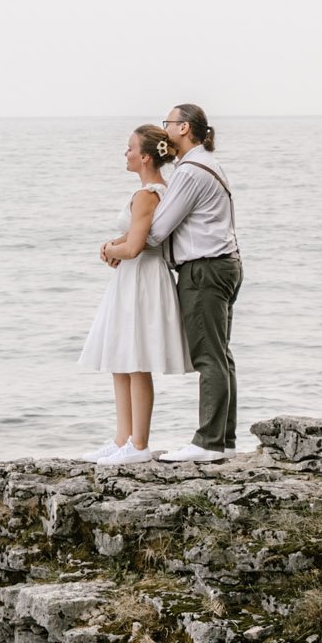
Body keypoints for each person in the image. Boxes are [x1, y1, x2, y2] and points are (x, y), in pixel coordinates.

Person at [101, 103, 240, 462]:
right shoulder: (202, 166)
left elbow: (158, 230)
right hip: (219, 264)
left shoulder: (191, 171)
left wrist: (118, 247)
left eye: (170, 122)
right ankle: (221, 438)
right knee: (220, 355)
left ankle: (209, 442)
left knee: (210, 357)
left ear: (185, 128)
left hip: (205, 269)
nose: (167, 128)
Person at [78, 125, 194, 463]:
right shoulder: (156, 191)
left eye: (129, 148)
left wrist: (109, 247)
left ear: (144, 157)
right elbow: (134, 239)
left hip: (141, 278)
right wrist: (116, 246)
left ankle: (139, 445)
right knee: (121, 358)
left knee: (136, 359)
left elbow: (137, 245)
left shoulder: (147, 195)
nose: (125, 153)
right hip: (133, 277)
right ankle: (122, 439)